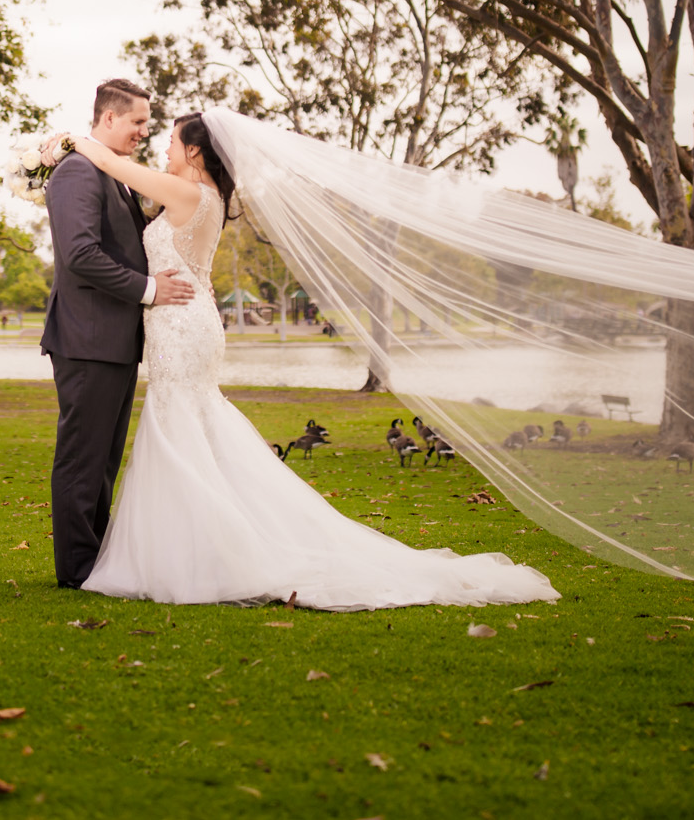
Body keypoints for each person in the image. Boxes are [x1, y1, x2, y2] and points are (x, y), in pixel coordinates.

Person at [43, 109, 560, 612]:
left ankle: (195, 557)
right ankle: (197, 546)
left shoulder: (185, 191)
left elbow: (114, 167)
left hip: (182, 324)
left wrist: (70, 144)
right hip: (189, 318)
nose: (164, 146)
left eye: (173, 140)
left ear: (195, 150)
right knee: (192, 426)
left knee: (179, 424)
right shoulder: (212, 197)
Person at [38, 79, 197, 590]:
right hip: (86, 339)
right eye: (137, 122)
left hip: (114, 342)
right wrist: (150, 290)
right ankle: (77, 570)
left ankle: (98, 562)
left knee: (103, 461)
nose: (143, 132)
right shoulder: (77, 173)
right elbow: (81, 255)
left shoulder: (113, 174)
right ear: (108, 119)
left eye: (147, 125)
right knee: (82, 459)